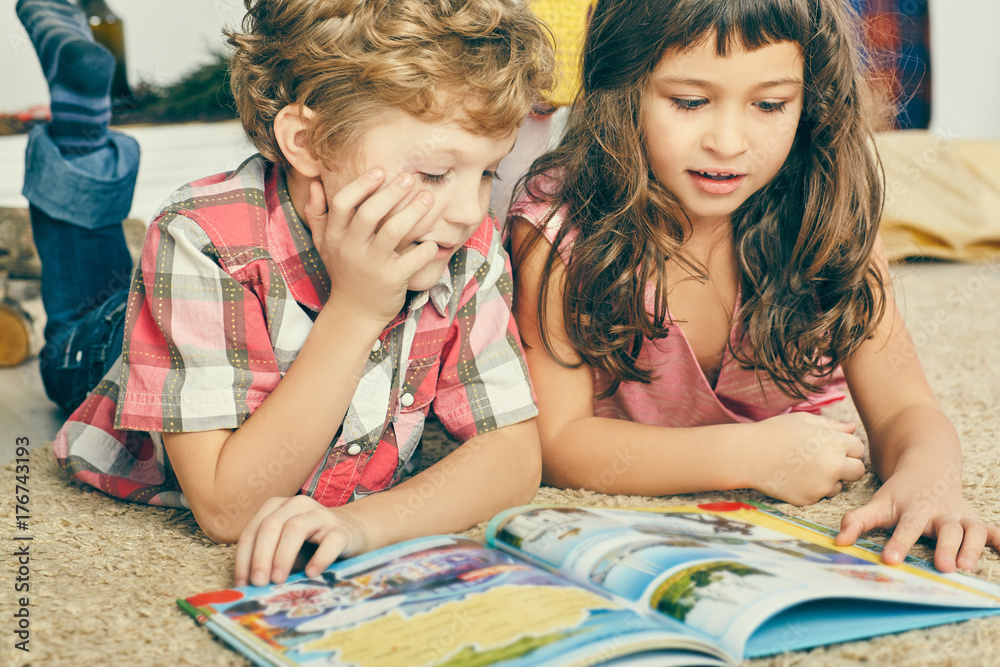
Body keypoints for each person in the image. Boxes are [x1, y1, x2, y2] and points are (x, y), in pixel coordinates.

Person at [19, 0, 553, 588]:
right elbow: (228, 508)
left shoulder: (463, 242)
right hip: (111, 351)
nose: (469, 211)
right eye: (432, 173)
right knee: (74, 318)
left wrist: (359, 525)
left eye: (487, 174)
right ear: (308, 141)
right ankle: (78, 135)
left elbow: (515, 456)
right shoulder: (200, 236)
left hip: (225, 325)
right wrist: (357, 310)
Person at [507, 0, 1000, 574]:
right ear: (622, 91)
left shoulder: (828, 212)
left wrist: (928, 478)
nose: (729, 140)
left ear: (808, 100)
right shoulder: (560, 226)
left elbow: (906, 408)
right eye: (689, 102)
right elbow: (559, 442)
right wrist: (747, 456)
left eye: (769, 104)